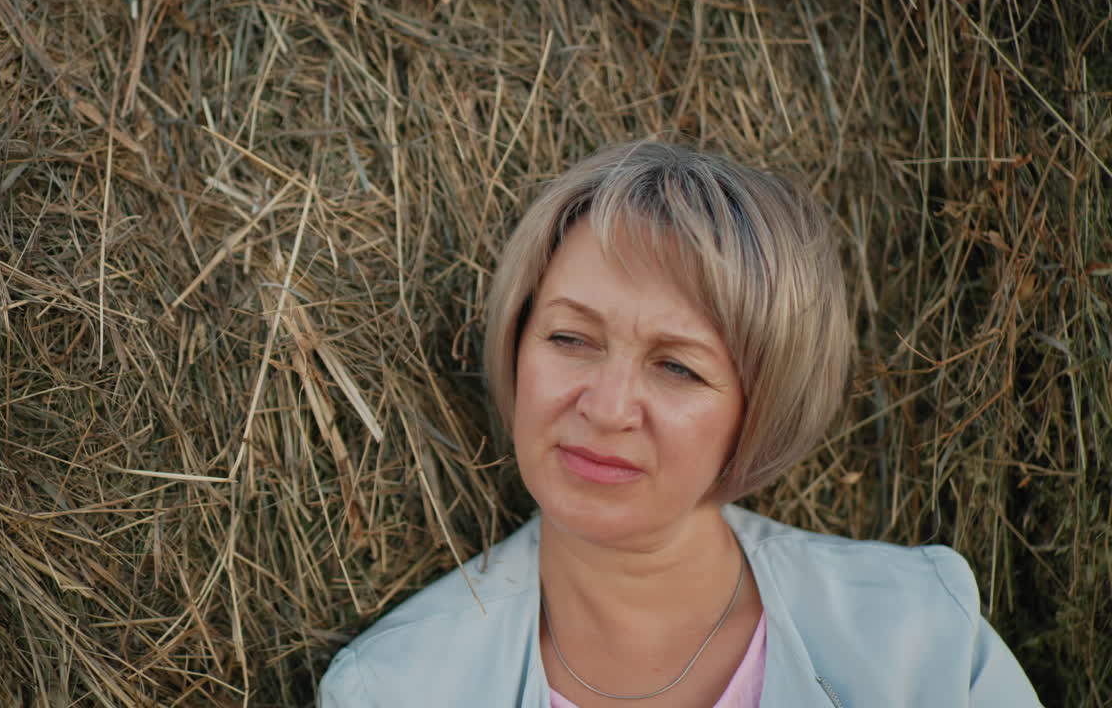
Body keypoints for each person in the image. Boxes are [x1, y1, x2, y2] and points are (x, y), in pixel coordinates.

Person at [318, 142, 1041, 707]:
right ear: (515, 345)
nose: (605, 408)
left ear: (762, 407)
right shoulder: (394, 689)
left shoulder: (919, 640)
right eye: (570, 339)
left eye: (678, 367)